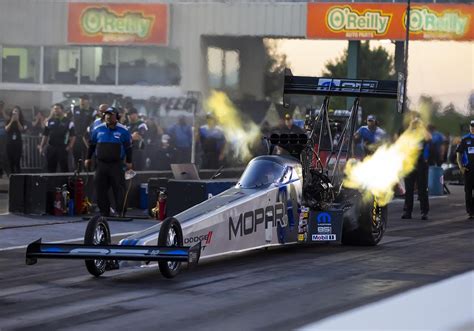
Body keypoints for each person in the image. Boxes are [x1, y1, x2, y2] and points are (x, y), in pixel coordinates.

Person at [85, 107, 132, 217]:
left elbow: (129, 147)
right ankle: (104, 211)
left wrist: (129, 161)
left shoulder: (123, 130)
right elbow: (92, 145)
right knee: (100, 187)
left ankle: (120, 211)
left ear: (117, 116)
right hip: (101, 164)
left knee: (119, 188)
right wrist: (88, 158)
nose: (108, 116)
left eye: (110, 114)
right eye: (106, 114)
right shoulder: (98, 129)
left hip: (117, 164)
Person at [402, 116, 432, 220]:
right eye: (414, 123)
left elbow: (429, 138)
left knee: (422, 188)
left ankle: (424, 212)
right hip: (409, 163)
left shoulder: (423, 134)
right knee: (409, 189)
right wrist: (411, 126)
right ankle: (407, 212)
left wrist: (421, 126)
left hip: (421, 164)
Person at [39, 103, 76, 172]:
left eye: (57, 109)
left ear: (62, 110)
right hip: (51, 147)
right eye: (54, 109)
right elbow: (45, 135)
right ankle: (51, 182)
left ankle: (65, 182)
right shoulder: (49, 121)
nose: (55, 110)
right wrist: (41, 146)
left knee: (64, 167)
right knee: (50, 167)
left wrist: (70, 146)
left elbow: (73, 136)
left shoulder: (68, 122)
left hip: (63, 147)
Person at [456, 120, 474, 219]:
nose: (473, 128)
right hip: (468, 169)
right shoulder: (465, 139)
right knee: (468, 191)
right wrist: (460, 166)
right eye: (471, 126)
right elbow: (459, 153)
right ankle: (470, 211)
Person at [72, 94, 94, 168]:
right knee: (76, 157)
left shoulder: (92, 111)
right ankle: (77, 174)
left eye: (84, 99)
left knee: (87, 157)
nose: (82, 101)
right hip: (76, 137)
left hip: (87, 138)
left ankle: (87, 174)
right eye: (81, 99)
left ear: (88, 101)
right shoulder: (74, 109)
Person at [5, 106, 27, 174]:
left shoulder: (22, 120)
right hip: (9, 143)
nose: (15, 113)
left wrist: (17, 121)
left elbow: (22, 130)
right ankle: (11, 177)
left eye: (17, 111)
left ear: (19, 113)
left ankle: (18, 177)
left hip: (18, 143)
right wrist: (12, 120)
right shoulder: (8, 120)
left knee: (17, 160)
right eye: (14, 111)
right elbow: (6, 129)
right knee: (10, 161)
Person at [0, 101, 7, 177]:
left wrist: (3, 111)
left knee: (3, 154)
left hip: (3, 137)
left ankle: (2, 171)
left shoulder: (4, 114)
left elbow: (7, 118)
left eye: (1, 106)